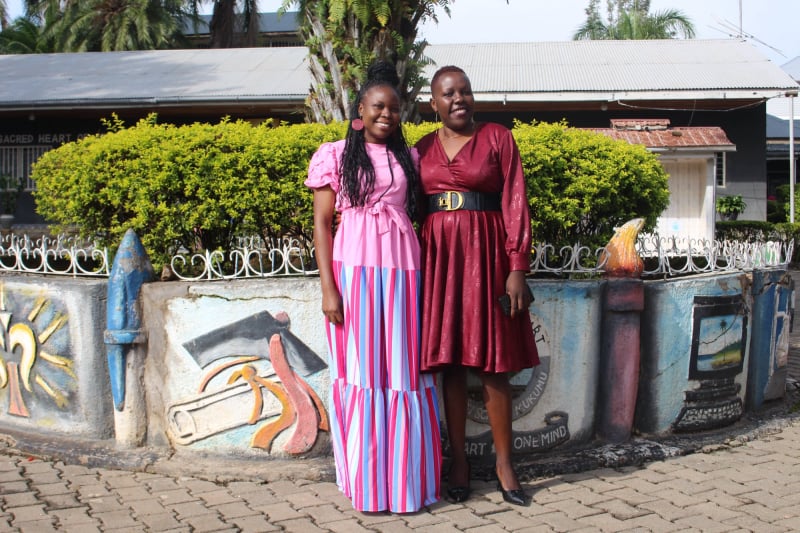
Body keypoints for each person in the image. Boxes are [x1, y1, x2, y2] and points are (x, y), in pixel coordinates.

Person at [305, 61, 442, 513]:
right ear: (360, 111)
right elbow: (322, 225)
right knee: (362, 373)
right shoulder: (335, 155)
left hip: (403, 275)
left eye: (395, 108)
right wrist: (329, 290)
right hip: (355, 275)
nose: (387, 114)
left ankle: (404, 485)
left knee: (403, 372)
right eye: (379, 106)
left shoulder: (409, 158)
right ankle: (367, 484)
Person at [415, 65, 539, 507]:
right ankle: (459, 463)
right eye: (448, 94)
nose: (459, 100)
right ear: (434, 103)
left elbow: (515, 201)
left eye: (464, 91)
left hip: (487, 259)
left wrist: (517, 265)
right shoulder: (420, 149)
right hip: (439, 261)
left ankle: (505, 466)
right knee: (450, 363)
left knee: (493, 364)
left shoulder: (498, 138)